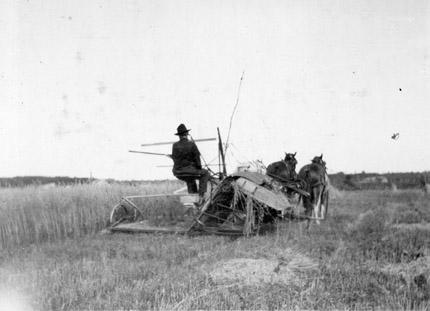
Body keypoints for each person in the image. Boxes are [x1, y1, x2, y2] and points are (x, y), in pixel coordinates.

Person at [171, 124, 209, 203]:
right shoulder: (191, 144)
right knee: (205, 173)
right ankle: (201, 196)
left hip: (177, 172)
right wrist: (198, 168)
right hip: (188, 170)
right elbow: (197, 159)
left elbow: (175, 159)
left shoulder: (174, 145)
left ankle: (193, 197)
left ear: (179, 136)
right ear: (187, 134)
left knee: (190, 179)